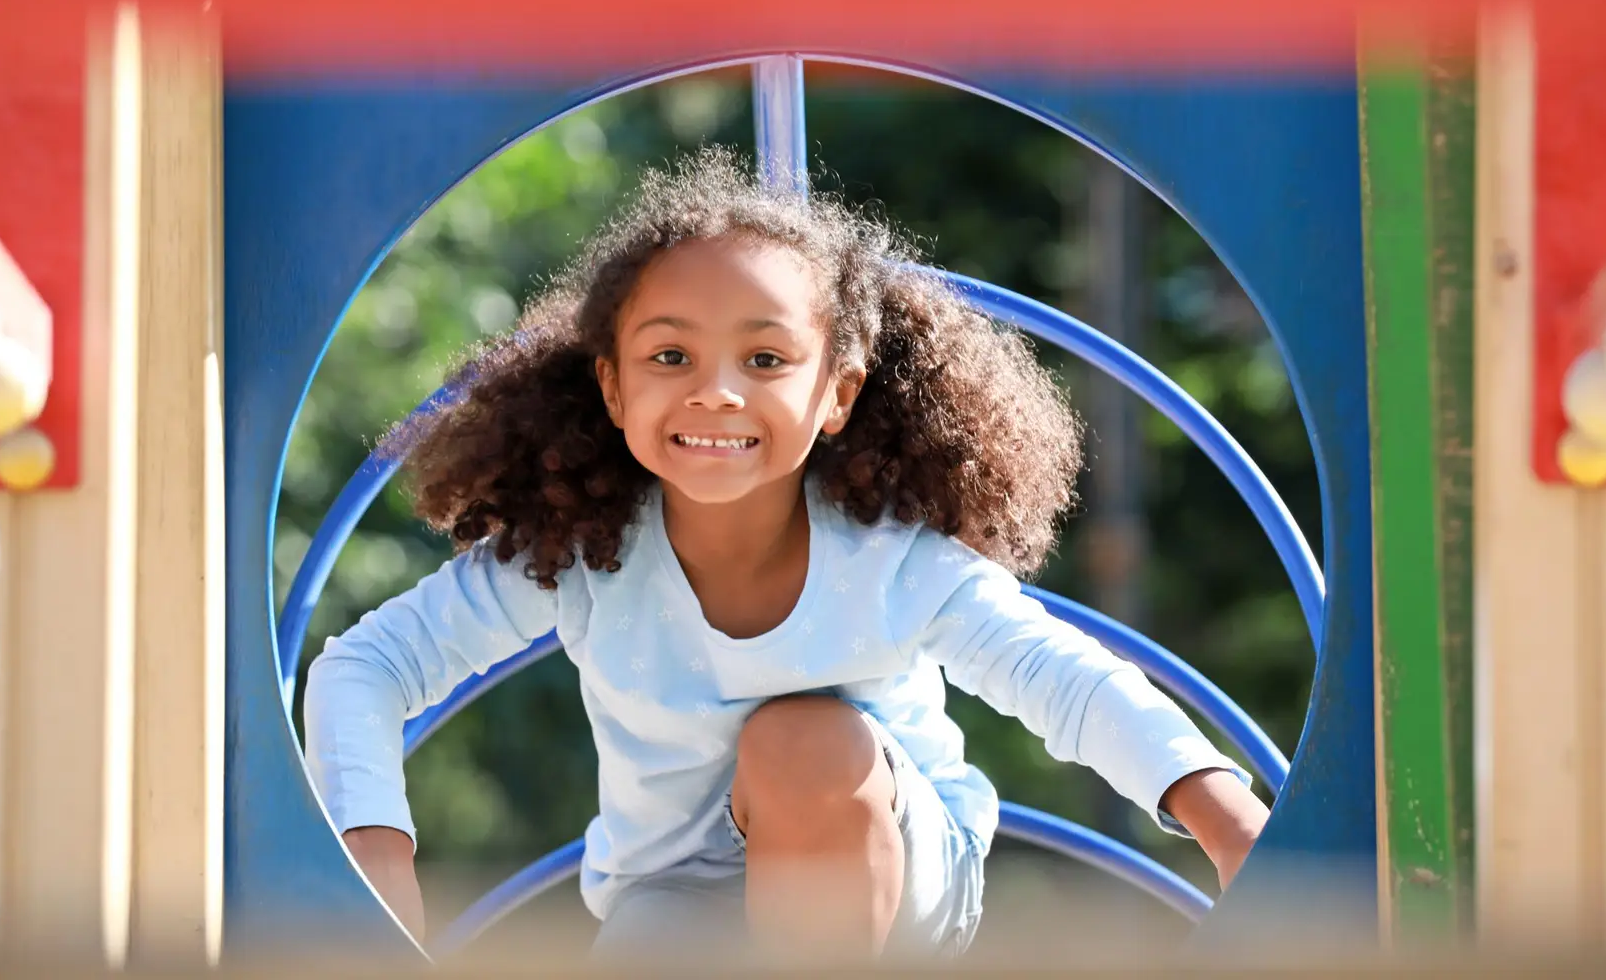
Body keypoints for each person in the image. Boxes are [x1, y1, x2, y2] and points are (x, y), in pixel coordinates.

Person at [303, 148, 1268, 964]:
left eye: (765, 360)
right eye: (670, 357)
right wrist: (376, 857)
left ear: (838, 392)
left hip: (889, 883)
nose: (717, 392)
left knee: (803, 740)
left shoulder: (889, 559)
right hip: (675, 903)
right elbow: (366, 666)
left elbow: (1063, 679)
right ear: (611, 385)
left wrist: (1225, 818)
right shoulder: (583, 551)